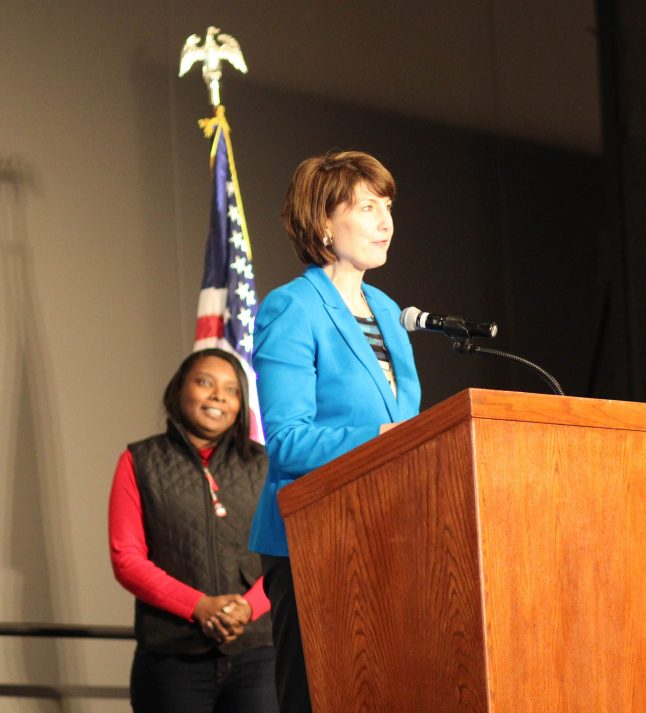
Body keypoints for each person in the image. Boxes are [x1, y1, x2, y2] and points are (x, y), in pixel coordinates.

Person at [248, 149, 422, 713]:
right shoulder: (291, 308)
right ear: (324, 222)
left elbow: (412, 424)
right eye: (367, 206)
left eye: (388, 206)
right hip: (314, 541)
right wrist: (382, 438)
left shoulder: (389, 309)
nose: (385, 221)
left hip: (388, 532)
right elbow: (288, 441)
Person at [108, 348, 277, 713]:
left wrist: (247, 609)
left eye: (232, 390)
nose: (219, 396)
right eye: (205, 383)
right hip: (172, 659)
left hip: (258, 658)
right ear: (179, 390)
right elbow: (127, 558)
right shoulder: (139, 461)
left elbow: (284, 554)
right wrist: (198, 606)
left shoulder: (265, 465)